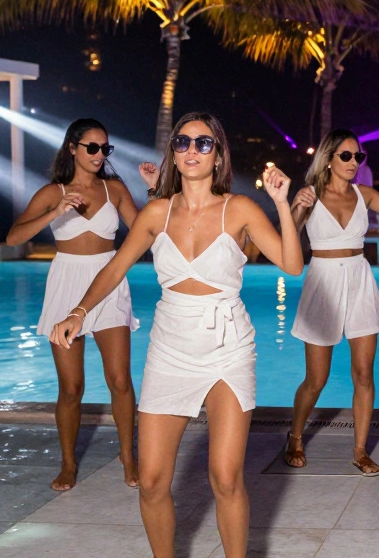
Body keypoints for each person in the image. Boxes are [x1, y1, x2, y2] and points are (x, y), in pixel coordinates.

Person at [50, 112, 304, 558]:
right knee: (151, 482)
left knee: (225, 478)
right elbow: (115, 267)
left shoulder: (239, 209)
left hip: (227, 345)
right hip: (171, 347)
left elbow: (292, 264)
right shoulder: (156, 212)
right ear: (173, 152)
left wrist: (282, 203)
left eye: (203, 143)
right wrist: (79, 311)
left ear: (218, 155)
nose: (191, 151)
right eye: (183, 142)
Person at [6, 118, 157, 491]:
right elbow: (13, 238)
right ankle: (68, 463)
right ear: (72, 148)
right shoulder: (51, 192)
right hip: (66, 285)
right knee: (71, 387)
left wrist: (155, 191)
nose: (99, 154)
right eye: (92, 147)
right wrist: (55, 212)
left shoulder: (114, 188)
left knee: (120, 380)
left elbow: (146, 234)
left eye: (105, 148)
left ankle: (128, 456)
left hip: (109, 281)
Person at [284, 129, 379, 476]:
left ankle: (360, 450)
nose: (353, 162)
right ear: (328, 159)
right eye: (346, 155)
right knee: (317, 378)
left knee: (364, 374)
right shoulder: (311, 194)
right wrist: (295, 207)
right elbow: (288, 239)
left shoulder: (364, 194)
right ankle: (294, 437)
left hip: (359, 282)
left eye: (358, 156)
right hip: (322, 283)